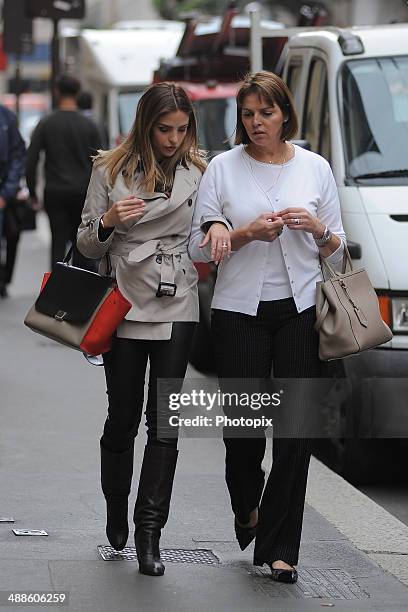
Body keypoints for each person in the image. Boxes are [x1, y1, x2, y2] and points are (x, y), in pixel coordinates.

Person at [189, 71, 346, 583]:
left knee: (296, 433)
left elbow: (337, 247)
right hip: (238, 314)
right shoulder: (222, 169)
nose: (257, 123)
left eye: (267, 113)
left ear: (285, 115)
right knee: (243, 434)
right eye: (249, 114)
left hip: (301, 311)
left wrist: (320, 229)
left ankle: (282, 549)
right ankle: (245, 505)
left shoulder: (315, 168)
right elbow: (198, 245)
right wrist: (238, 233)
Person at [76, 82, 207, 576]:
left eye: (181, 130)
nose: (173, 140)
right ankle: (115, 507)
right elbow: (87, 244)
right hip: (125, 299)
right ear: (145, 125)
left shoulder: (201, 170)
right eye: (163, 129)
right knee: (123, 417)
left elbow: (212, 224)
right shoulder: (110, 168)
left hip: (178, 299)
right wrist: (109, 219)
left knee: (165, 424)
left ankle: (150, 533)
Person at [26, 75, 102, 270]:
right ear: (77, 93)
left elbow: (31, 160)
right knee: (82, 244)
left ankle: (56, 291)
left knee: (57, 243)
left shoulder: (46, 123)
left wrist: (32, 192)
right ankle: (80, 292)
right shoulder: (90, 125)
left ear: (57, 92)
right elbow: (101, 163)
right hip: (83, 193)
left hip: (55, 191)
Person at [0, 104, 26, 298]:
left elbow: (18, 155)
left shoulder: (6, 117)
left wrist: (6, 192)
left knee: (8, 237)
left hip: (3, 193)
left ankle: (3, 280)